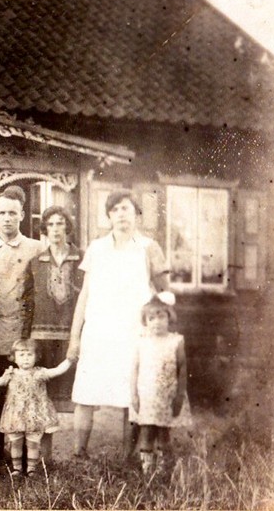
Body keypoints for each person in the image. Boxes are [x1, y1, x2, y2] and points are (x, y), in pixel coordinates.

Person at [67, 190, 170, 459]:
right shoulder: (97, 247)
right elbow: (85, 294)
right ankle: (79, 453)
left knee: (131, 395)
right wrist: (74, 337)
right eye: (115, 210)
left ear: (137, 214)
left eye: (126, 209)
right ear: (109, 216)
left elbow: (164, 295)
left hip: (134, 333)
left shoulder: (149, 247)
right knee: (86, 392)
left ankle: (127, 457)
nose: (121, 214)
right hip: (99, 331)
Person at [0, 185, 43, 465]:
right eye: (2, 212)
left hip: (22, 335)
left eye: (13, 213)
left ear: (22, 215)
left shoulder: (36, 248)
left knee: (24, 398)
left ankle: (26, 456)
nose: (7, 218)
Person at [21, 206, 83, 457]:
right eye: (51, 225)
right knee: (42, 396)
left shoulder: (82, 259)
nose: (56, 229)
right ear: (44, 229)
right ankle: (44, 456)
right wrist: (25, 338)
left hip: (72, 336)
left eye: (60, 224)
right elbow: (27, 302)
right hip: (41, 338)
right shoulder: (36, 263)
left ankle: (78, 452)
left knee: (76, 395)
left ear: (67, 227)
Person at [0, 338, 72, 477]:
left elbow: (57, 371)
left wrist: (69, 360)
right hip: (16, 414)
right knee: (15, 443)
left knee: (33, 443)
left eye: (29, 355)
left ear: (36, 357)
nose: (25, 359)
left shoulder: (40, 372)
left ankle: (31, 468)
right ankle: (17, 469)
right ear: (13, 358)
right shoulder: (11, 373)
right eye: (21, 355)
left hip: (35, 414)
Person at [131, 292, 191, 475]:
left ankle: (165, 472)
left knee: (164, 434)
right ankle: (147, 472)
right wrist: (133, 394)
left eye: (161, 317)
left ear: (169, 317)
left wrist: (179, 396)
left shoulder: (175, 341)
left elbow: (182, 370)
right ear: (145, 321)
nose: (157, 322)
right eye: (151, 318)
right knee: (147, 432)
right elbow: (134, 369)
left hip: (167, 396)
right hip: (147, 396)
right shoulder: (142, 342)